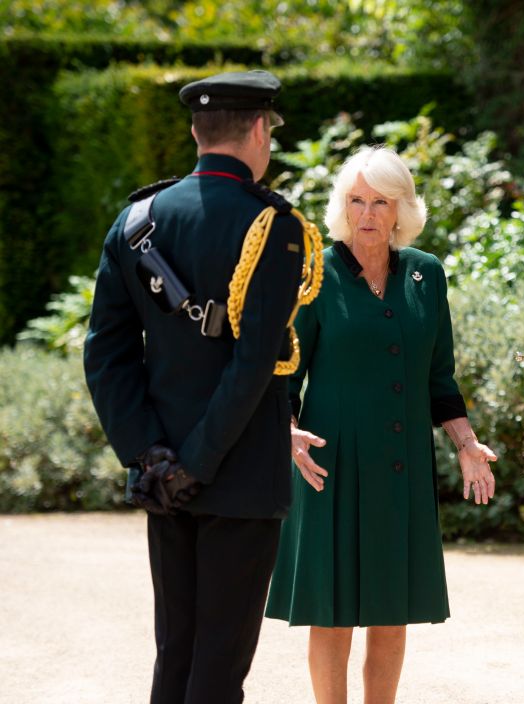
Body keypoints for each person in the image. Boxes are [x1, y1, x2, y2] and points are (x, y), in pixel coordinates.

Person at [83, 69, 320, 704]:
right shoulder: (275, 226)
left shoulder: (136, 219)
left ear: (195, 130)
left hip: (165, 477)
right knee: (218, 664)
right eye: (268, 129)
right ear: (257, 130)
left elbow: (106, 354)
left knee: (177, 653)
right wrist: (199, 463)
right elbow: (253, 365)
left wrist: (152, 456)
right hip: (236, 473)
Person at [265, 146, 498, 704]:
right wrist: (286, 429)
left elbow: (439, 379)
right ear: (343, 207)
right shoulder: (315, 274)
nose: (367, 213)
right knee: (333, 612)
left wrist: (466, 443)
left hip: (401, 468)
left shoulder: (426, 274)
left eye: (380, 202)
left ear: (401, 210)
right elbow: (282, 370)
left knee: (392, 614)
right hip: (330, 465)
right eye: (356, 200)